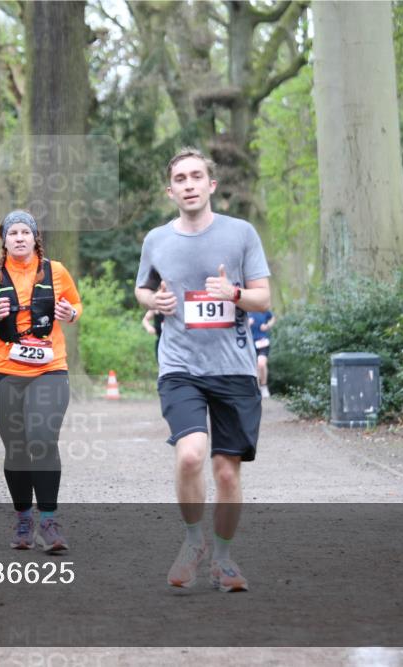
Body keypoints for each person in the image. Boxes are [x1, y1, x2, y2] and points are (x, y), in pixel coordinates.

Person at [135, 147, 271, 592]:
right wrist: (153, 301)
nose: (189, 184)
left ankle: (224, 559)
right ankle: (194, 542)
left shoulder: (241, 233)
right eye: (180, 178)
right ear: (170, 190)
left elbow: (262, 299)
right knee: (191, 453)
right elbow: (142, 287)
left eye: (197, 176)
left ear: (211, 185)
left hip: (234, 368)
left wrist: (232, 293)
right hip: (180, 366)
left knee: (227, 472)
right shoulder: (156, 239)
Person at [0, 210, 83, 553]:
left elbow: (75, 305)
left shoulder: (55, 271)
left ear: (35, 238)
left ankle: (49, 520)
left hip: (48, 369)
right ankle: (23, 519)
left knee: (43, 439)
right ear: (3, 239)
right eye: (12, 232)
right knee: (17, 448)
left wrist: (70, 314)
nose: (19, 237)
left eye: (24, 232)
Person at [250, 310, 275, 397]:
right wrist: (246, 323)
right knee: (254, 367)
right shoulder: (245, 309)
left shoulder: (262, 308)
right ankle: (256, 389)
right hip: (249, 343)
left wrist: (267, 325)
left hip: (262, 342)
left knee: (261, 364)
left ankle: (264, 386)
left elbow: (272, 318)